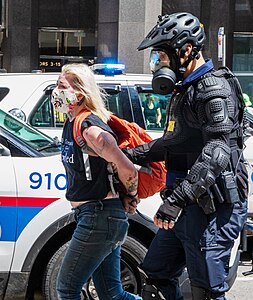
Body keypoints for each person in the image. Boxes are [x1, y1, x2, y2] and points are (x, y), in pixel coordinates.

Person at [124, 12, 248, 300]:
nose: (157, 66)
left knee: (205, 290)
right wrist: (124, 154)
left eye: (161, 57)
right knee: (155, 275)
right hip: (186, 203)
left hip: (213, 208)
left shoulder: (213, 89)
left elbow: (218, 151)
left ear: (186, 50)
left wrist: (177, 201)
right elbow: (172, 144)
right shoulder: (186, 90)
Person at [51, 63, 142, 300]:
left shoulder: (89, 128)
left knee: (67, 289)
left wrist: (131, 196)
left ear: (80, 94)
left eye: (61, 87)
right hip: (97, 216)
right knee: (113, 295)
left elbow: (128, 169)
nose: (55, 92)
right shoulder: (71, 122)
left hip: (99, 217)